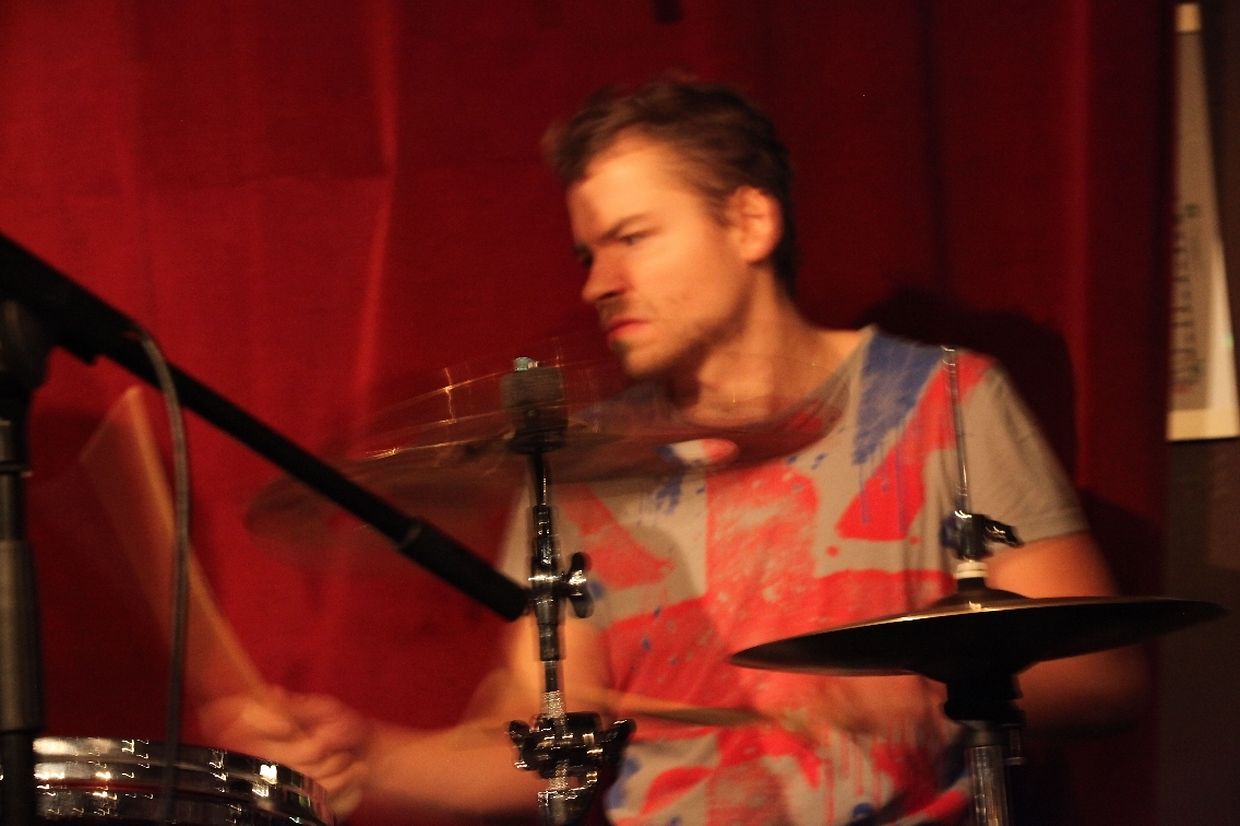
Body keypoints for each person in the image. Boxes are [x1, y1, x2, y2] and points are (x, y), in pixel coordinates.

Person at [205, 79, 1147, 824]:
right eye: (589, 255)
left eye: (633, 239)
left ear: (750, 222)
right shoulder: (584, 463)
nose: (599, 285)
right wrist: (372, 755)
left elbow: (1101, 675)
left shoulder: (943, 399)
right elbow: (538, 738)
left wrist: (933, 694)